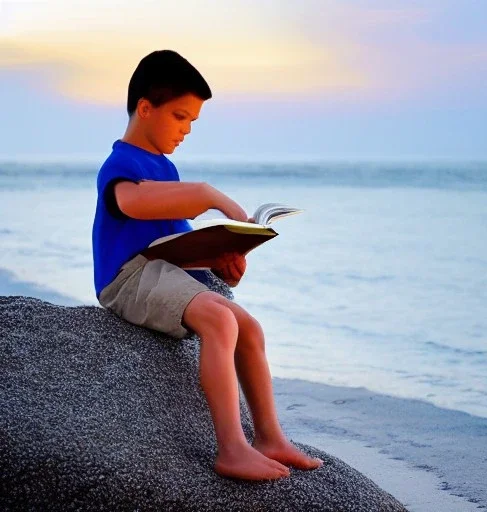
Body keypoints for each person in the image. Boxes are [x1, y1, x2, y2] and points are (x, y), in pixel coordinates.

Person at [92, 49, 323, 481]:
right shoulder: (122, 163)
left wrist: (219, 263)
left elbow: (177, 243)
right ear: (145, 108)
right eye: (180, 117)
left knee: (249, 327)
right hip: (128, 278)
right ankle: (231, 448)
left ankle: (269, 436)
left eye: (192, 122)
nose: (186, 130)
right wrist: (208, 195)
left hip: (164, 272)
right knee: (220, 321)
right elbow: (130, 202)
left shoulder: (166, 167)